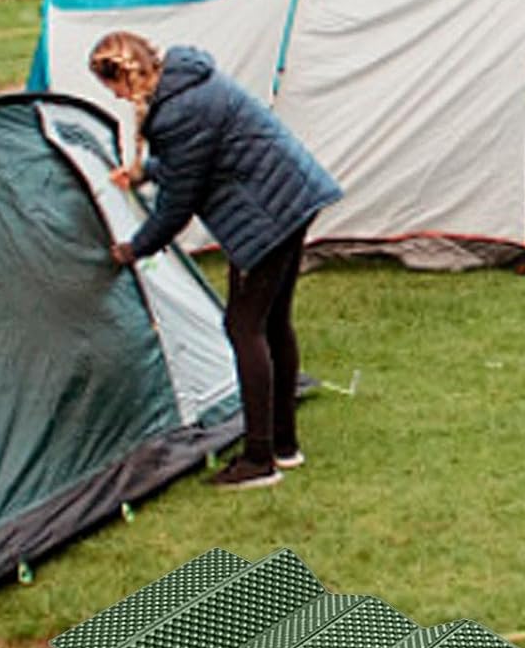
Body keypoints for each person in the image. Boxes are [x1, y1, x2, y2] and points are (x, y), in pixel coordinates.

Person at [88, 30, 342, 491]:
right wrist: (144, 173)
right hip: (294, 195)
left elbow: (178, 204)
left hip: (268, 212)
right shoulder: (188, 84)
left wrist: (132, 249)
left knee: (243, 326)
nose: (117, 98)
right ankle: (284, 445)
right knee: (271, 321)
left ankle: (259, 460)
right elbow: (198, 161)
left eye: (114, 89)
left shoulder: (177, 111)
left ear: (125, 77)